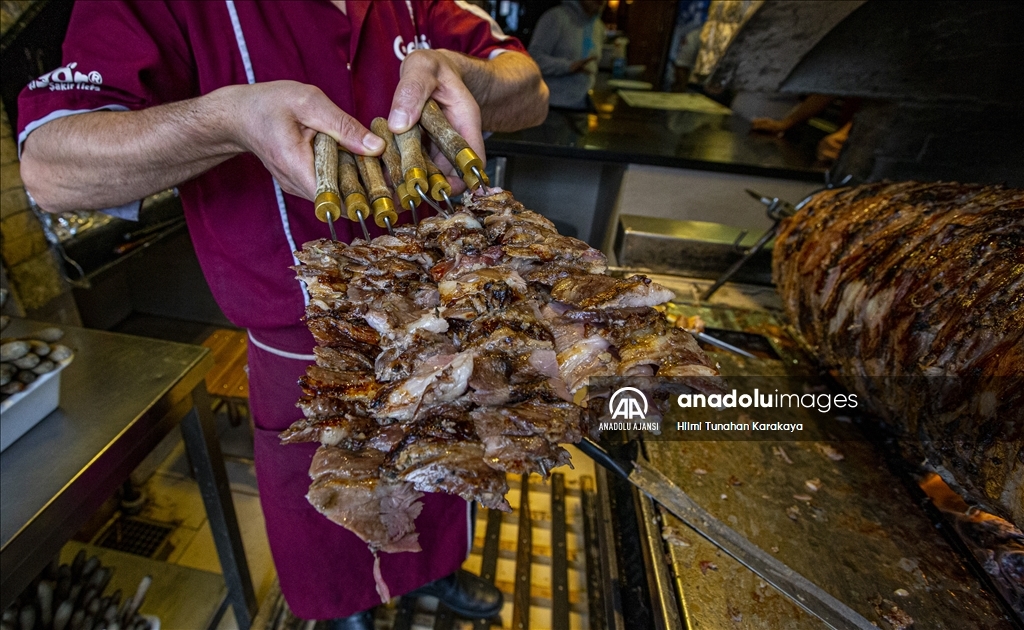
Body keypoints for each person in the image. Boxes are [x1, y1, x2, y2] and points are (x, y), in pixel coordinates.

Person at [16, 2, 548, 628]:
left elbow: (531, 88)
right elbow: (49, 169)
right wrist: (225, 121)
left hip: (441, 321)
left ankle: (436, 573)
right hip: (303, 347)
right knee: (331, 517)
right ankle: (352, 606)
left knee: (443, 474)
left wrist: (470, 77)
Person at [528, 0, 605, 110]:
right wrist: (568, 66)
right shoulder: (555, 17)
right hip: (552, 108)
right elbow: (534, 59)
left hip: (583, 105)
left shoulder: (599, 26)